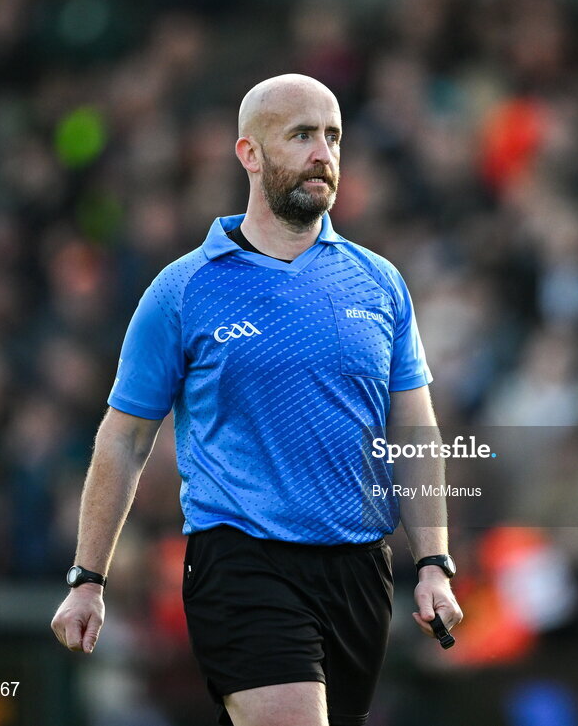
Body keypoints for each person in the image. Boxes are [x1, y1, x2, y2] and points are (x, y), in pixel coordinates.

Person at [51, 74, 463, 726]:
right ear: (248, 152)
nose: (322, 153)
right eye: (301, 135)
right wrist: (88, 576)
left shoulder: (380, 282)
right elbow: (123, 438)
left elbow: (413, 425)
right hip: (242, 558)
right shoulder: (184, 288)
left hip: (360, 570)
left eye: (332, 136)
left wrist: (435, 559)